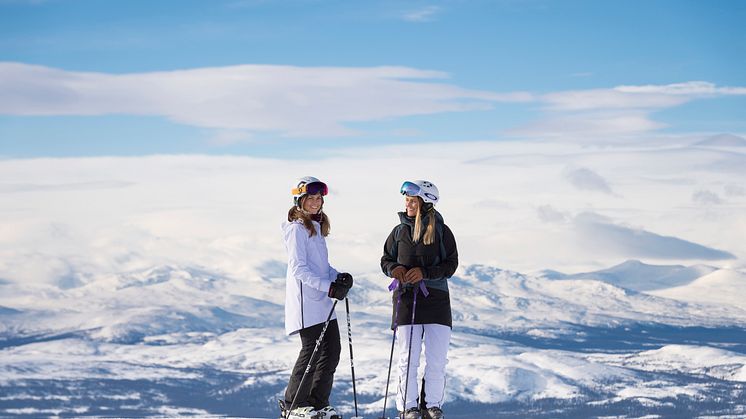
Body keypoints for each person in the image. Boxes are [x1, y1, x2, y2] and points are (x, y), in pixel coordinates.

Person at [381, 180, 458, 419]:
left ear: (426, 203)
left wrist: (425, 273)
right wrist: (395, 269)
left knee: (436, 359)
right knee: (408, 358)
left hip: (436, 300)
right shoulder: (398, 232)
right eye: (407, 200)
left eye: (413, 201)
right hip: (406, 298)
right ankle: (408, 408)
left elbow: (451, 264)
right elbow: (385, 260)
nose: (408, 204)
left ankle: (432, 405)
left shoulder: (442, 232)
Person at [281, 176, 353, 419]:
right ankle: (293, 405)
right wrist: (328, 286)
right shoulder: (296, 230)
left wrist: (338, 277)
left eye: (318, 198)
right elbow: (299, 270)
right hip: (306, 303)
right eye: (310, 198)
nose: (315, 202)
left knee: (331, 351)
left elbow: (322, 267)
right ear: (300, 201)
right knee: (311, 351)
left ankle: (317, 402)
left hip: (321, 300)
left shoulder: (317, 228)